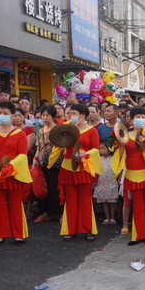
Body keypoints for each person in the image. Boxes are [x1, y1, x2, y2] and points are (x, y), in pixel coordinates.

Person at [47, 104, 103, 242]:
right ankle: (70, 229)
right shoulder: (66, 128)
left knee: (85, 200)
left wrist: (84, 155)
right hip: (68, 168)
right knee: (70, 200)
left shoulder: (91, 131)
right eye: (69, 113)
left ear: (82, 115)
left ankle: (87, 229)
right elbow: (58, 144)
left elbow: (96, 149)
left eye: (73, 113)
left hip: (84, 167)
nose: (70, 115)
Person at [0, 102, 33, 246]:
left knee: (16, 203)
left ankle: (18, 234)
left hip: (13, 172)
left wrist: (11, 165)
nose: (2, 116)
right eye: (0, 113)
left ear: (12, 116)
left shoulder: (20, 134)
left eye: (5, 113)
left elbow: (23, 155)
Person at [112, 107, 145, 246]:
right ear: (131, 119)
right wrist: (120, 144)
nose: (140, 119)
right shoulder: (125, 135)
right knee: (138, 205)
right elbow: (121, 156)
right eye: (137, 117)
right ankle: (139, 234)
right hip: (132, 174)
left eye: (143, 117)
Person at [32, 105, 62, 223]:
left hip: (55, 163)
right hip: (42, 162)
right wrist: (35, 158)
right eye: (43, 115)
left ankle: (60, 213)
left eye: (47, 115)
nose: (44, 118)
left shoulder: (58, 129)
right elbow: (38, 148)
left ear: (53, 116)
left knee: (56, 188)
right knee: (43, 188)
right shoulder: (40, 131)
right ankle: (45, 212)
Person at [94, 141, 117, 225]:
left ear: (109, 150)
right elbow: (96, 170)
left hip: (111, 182)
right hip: (102, 182)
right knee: (104, 201)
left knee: (111, 201)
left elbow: (118, 169)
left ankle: (113, 218)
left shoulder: (113, 159)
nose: (101, 150)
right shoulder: (98, 159)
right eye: (100, 149)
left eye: (103, 149)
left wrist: (118, 179)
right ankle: (107, 217)